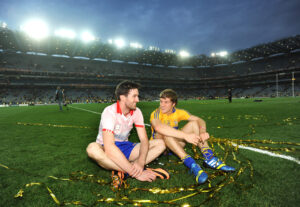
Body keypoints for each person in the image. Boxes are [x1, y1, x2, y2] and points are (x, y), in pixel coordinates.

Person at [86, 80, 169, 190]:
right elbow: (110, 147)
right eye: (134, 96)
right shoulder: (109, 112)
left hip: (125, 147)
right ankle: (131, 171)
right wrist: (136, 173)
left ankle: (121, 171)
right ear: (123, 97)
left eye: (137, 96)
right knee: (92, 149)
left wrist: (141, 162)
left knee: (161, 144)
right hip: (106, 148)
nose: (138, 100)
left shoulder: (137, 112)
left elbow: (144, 140)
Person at [150, 89, 235, 184]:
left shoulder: (178, 112)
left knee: (194, 123)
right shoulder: (156, 113)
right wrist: (185, 135)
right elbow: (158, 127)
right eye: (161, 101)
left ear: (173, 104)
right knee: (165, 133)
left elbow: (200, 120)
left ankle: (209, 158)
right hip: (160, 148)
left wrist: (202, 131)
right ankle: (192, 164)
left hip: (174, 145)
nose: (162, 105)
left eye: (166, 102)